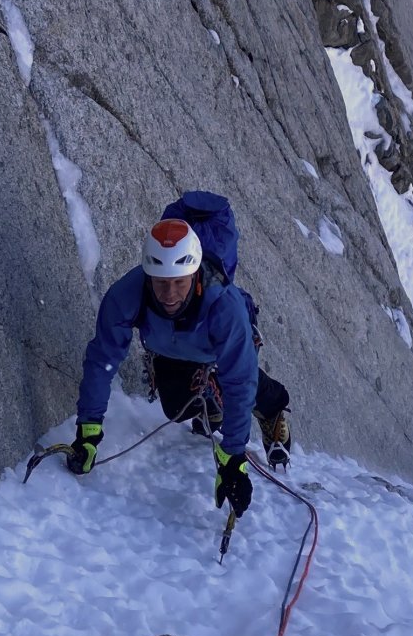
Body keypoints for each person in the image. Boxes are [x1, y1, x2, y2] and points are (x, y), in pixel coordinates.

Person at [68, 217, 291, 516]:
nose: (169, 293)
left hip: (214, 349)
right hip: (172, 350)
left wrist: (233, 458)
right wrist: (88, 431)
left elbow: (240, 381)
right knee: (176, 411)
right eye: (161, 283)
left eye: (179, 283)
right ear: (148, 277)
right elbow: (102, 361)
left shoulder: (226, 307)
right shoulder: (125, 296)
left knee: (236, 380)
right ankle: (209, 402)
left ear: (195, 275)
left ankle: (273, 406)